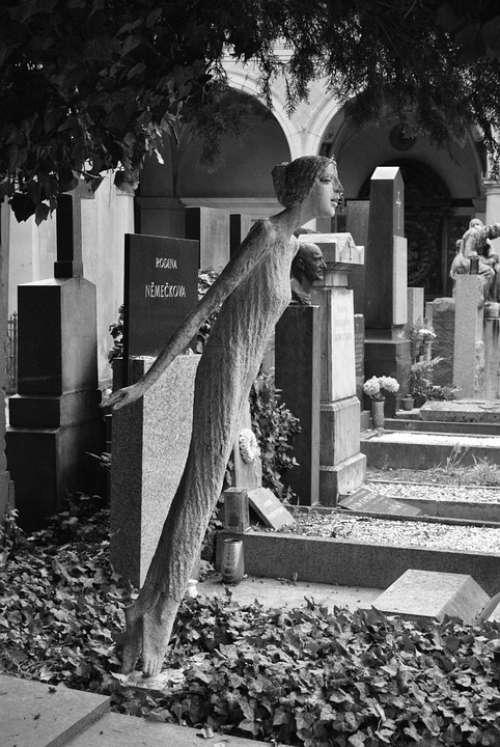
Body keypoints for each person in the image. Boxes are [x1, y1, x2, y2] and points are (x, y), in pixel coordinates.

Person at [104, 155, 343, 676]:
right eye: (329, 181)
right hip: (221, 374)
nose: (337, 192)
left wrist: (247, 408)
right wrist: (148, 381)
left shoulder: (296, 248)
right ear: (305, 187)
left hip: (240, 386)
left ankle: (145, 620)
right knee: (199, 500)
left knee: (199, 494)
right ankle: (152, 630)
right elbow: (205, 307)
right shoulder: (265, 235)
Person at [450, 218, 500, 302]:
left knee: (496, 270)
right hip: (464, 261)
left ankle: (488, 298)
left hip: (474, 261)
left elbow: (493, 255)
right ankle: (479, 298)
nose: (476, 226)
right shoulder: (473, 233)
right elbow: (469, 254)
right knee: (489, 272)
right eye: (473, 225)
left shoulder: (484, 238)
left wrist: (488, 260)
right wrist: (484, 261)